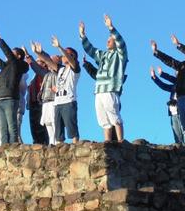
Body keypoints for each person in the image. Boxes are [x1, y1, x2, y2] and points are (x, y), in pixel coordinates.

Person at [80, 14, 128, 142]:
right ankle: (107, 142)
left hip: (110, 89)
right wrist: (83, 36)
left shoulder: (120, 55)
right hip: (99, 90)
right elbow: (91, 50)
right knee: (103, 119)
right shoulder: (103, 55)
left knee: (114, 115)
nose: (107, 41)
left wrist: (111, 28)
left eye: (110, 40)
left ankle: (120, 141)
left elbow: (121, 43)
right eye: (107, 40)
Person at [151, 35, 185, 146]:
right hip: (180, 100)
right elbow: (170, 61)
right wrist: (157, 52)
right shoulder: (182, 65)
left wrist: (178, 45)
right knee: (184, 128)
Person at [0, 31, 29, 144]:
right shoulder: (6, 67)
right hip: (1, 98)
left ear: (18, 56)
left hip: (10, 98)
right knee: (2, 127)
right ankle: (4, 147)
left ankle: (13, 146)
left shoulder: (18, 65)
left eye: (12, 53)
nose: (8, 55)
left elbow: (8, 53)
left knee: (11, 125)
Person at [34, 37, 81, 144]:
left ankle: (76, 145)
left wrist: (60, 47)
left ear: (72, 56)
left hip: (69, 101)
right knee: (58, 131)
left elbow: (70, 60)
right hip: (58, 102)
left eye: (65, 55)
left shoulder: (75, 68)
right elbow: (47, 61)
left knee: (72, 128)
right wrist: (37, 53)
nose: (62, 56)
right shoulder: (61, 69)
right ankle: (60, 148)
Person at [150, 67, 183, 144]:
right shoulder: (174, 86)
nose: (177, 75)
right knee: (176, 133)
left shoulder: (184, 83)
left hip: (181, 111)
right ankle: (179, 149)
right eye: (176, 74)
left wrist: (162, 74)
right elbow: (163, 86)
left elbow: (176, 80)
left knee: (184, 131)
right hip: (173, 113)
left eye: (178, 73)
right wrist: (154, 77)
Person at [25, 52, 51, 145]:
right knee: (34, 126)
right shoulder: (34, 77)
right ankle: (36, 144)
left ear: (44, 63)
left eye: (38, 61)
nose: (36, 63)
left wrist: (30, 57)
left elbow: (36, 68)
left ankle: (45, 144)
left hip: (42, 103)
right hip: (33, 104)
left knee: (43, 126)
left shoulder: (47, 73)